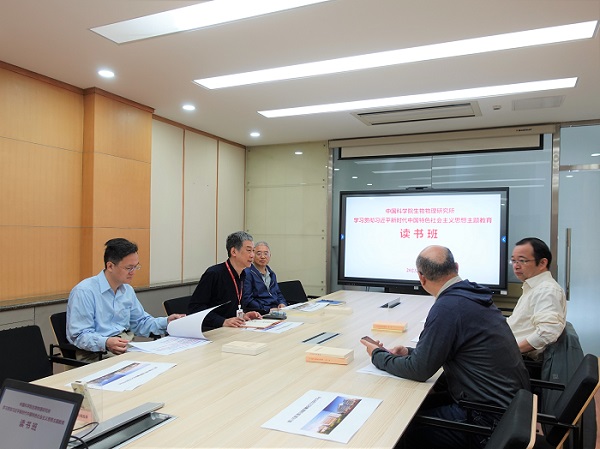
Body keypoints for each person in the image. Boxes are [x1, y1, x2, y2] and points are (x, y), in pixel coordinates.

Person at [360, 245, 530, 449]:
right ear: (456, 267)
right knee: (413, 407)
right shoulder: (471, 295)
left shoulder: (448, 307)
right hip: (506, 408)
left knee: (401, 428)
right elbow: (447, 352)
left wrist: (377, 355)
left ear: (421, 278)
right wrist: (408, 352)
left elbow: (419, 370)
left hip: (486, 420)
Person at [67, 238, 185, 361]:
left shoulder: (127, 290)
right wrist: (106, 342)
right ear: (110, 266)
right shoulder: (84, 291)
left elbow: (140, 322)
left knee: (171, 361)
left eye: (136, 267)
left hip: (125, 348)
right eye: (129, 268)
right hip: (97, 353)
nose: (133, 272)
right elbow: (79, 335)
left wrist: (167, 322)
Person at [507, 237, 567, 360]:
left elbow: (548, 332)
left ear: (542, 263)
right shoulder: (533, 287)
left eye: (522, 261)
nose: (516, 266)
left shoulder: (546, 290)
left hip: (520, 360)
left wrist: (511, 351)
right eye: (513, 261)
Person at [188, 231, 262, 331]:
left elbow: (229, 309)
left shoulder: (243, 274)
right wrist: (222, 321)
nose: (252, 255)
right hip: (212, 330)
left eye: (253, 251)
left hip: (233, 329)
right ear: (234, 252)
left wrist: (243, 316)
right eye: (249, 250)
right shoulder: (214, 273)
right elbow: (195, 308)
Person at [242, 241, 287, 315]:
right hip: (260, 312)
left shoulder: (271, 274)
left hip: (275, 311)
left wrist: (282, 303)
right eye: (259, 254)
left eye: (266, 254)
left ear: (270, 256)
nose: (263, 257)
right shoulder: (247, 273)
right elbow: (247, 300)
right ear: (252, 255)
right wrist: (267, 309)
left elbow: (278, 293)